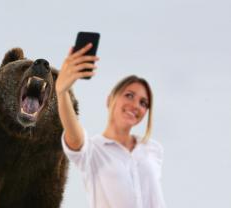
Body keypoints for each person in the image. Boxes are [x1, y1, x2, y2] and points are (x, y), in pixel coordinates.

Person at [55, 43, 166, 208]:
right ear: (110, 100)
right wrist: (62, 92)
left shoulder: (152, 149)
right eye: (129, 95)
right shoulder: (92, 151)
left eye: (143, 103)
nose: (136, 105)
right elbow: (74, 135)